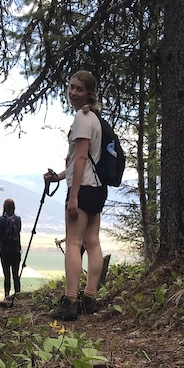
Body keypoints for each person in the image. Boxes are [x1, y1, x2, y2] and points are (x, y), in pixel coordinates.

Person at [44, 70, 107, 321]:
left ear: (88, 93)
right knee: (92, 242)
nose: (72, 92)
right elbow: (82, 159)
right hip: (97, 187)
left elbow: (81, 157)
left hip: (83, 189)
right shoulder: (95, 119)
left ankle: (70, 301)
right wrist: (59, 177)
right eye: (71, 87)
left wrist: (73, 196)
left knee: (73, 242)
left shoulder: (82, 119)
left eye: (79, 89)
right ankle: (90, 297)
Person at [0, 198, 22, 298]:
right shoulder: (18, 219)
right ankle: (17, 295)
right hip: (16, 250)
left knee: (7, 275)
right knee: (16, 275)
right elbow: (18, 232)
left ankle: (7, 296)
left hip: (4, 251)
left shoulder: (1, 220)